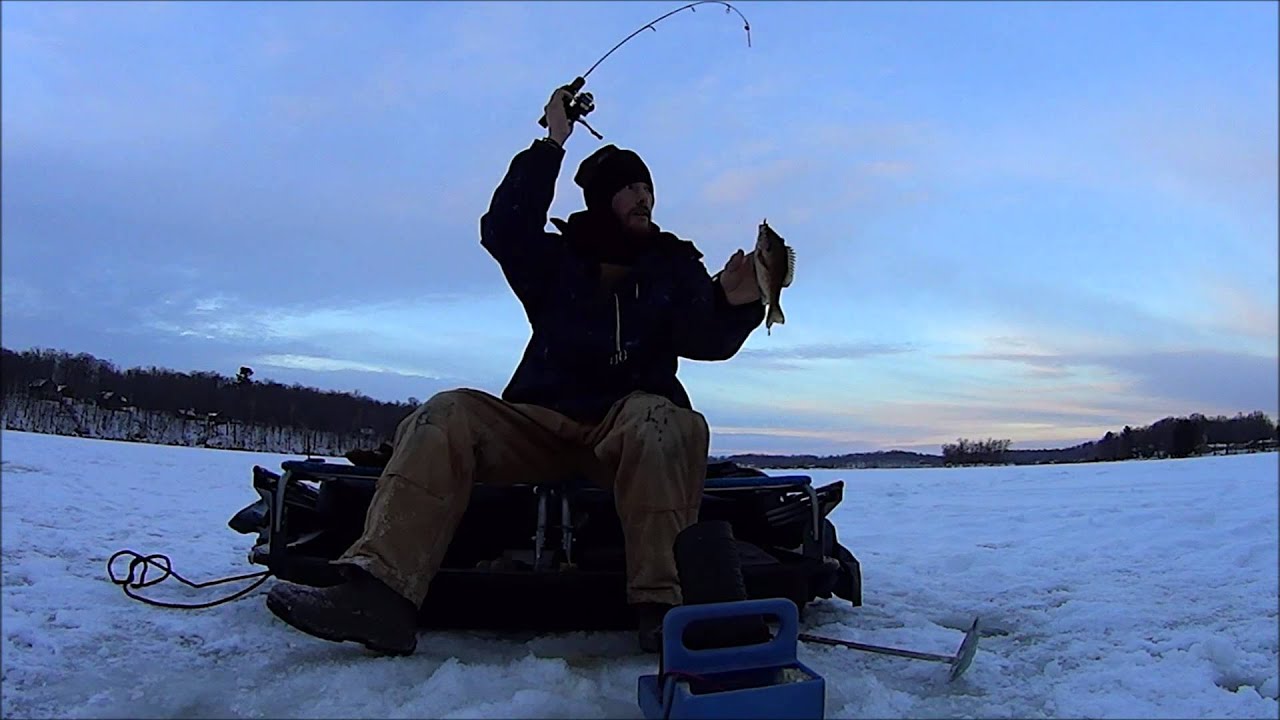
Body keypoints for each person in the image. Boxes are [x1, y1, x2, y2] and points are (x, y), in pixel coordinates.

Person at [265, 86, 765, 655]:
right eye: (628, 186)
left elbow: (708, 338)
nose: (642, 195)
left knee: (666, 420)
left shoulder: (675, 265)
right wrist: (552, 141)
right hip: (541, 420)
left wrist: (735, 301)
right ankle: (379, 596)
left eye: (646, 185)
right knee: (444, 414)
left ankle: (662, 611)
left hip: (628, 429)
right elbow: (503, 228)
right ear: (603, 199)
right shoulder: (555, 260)